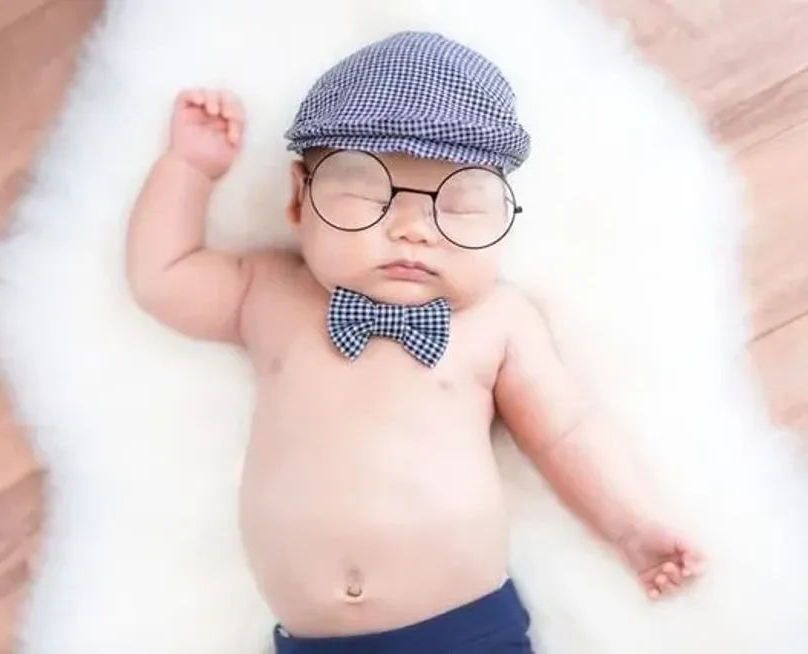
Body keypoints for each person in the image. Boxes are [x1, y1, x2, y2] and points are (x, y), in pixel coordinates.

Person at [125, 30, 703, 654]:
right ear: (299, 199)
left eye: (458, 205)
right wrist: (188, 170)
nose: (412, 230)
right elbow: (164, 277)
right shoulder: (267, 291)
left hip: (465, 632)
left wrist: (631, 527)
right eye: (364, 193)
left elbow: (566, 431)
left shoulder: (498, 320)